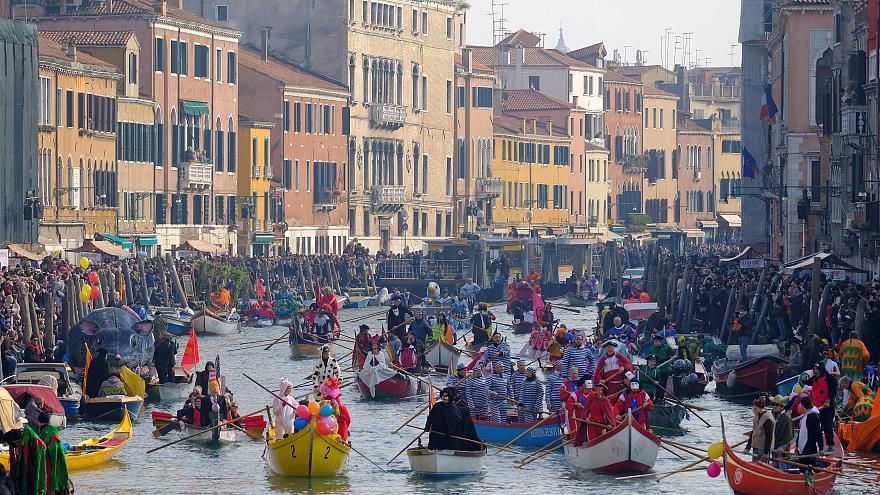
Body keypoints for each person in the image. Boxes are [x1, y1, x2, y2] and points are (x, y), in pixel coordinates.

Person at [573, 380, 616, 446]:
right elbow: (585, 410)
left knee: (602, 443)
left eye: (600, 390)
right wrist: (587, 418)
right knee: (592, 442)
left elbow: (610, 414)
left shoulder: (605, 400)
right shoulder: (591, 398)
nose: (598, 391)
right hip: (591, 424)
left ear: (602, 391)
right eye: (597, 389)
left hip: (601, 426)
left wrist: (611, 424)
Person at [806, 362, 838, 453]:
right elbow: (806, 382)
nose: (815, 371)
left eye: (817, 369)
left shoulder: (830, 378)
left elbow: (833, 390)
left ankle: (830, 445)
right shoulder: (814, 379)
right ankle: (817, 446)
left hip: (827, 407)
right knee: (816, 428)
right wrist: (804, 378)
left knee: (827, 426)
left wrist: (828, 400)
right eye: (814, 369)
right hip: (816, 408)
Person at [746, 396, 775, 461]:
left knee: (762, 464)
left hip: (763, 448)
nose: (753, 409)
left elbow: (769, 436)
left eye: (755, 407)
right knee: (754, 464)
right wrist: (747, 447)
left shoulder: (767, 418)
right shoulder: (756, 416)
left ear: (758, 408)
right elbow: (753, 432)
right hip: (755, 446)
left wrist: (766, 452)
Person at [796, 395, 822, 466]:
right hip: (802, 448)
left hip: (809, 449)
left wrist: (821, 448)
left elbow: (818, 433)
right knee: (802, 468)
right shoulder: (805, 416)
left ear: (802, 406)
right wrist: (797, 446)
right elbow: (801, 432)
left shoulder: (813, 416)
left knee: (807, 468)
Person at [770, 395, 795, 469]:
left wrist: (781, 447)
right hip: (774, 447)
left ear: (782, 406)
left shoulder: (787, 418)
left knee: (782, 468)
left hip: (782, 450)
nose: (774, 406)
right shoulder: (774, 417)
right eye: (773, 404)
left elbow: (790, 436)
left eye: (777, 405)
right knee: (774, 468)